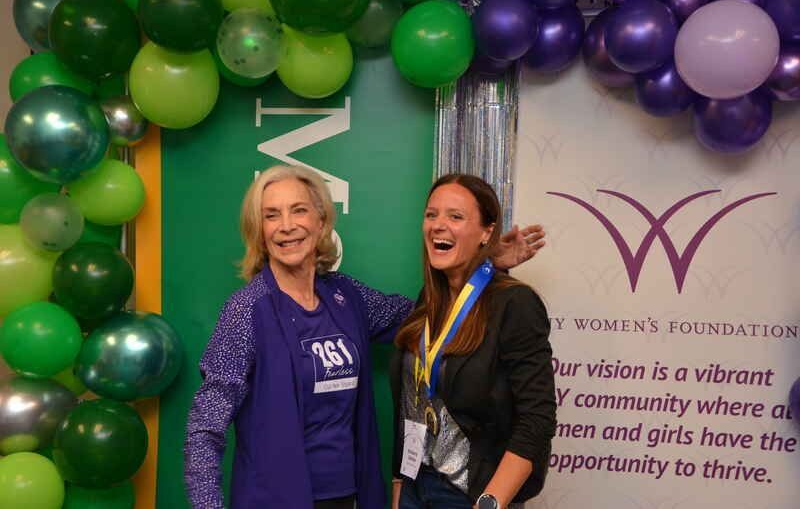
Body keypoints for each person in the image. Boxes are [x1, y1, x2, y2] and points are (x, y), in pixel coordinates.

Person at [183, 165, 545, 509]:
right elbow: (205, 426)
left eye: (299, 210)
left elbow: (431, 318)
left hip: (351, 496)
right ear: (258, 230)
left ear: (321, 221)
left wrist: (483, 264)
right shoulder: (246, 310)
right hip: (275, 498)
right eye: (271, 216)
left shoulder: (344, 296)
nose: (287, 226)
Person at [390, 174, 557, 509]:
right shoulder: (430, 299)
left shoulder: (515, 304)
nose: (438, 225)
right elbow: (413, 401)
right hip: (415, 486)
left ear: (486, 233)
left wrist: (490, 501)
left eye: (455, 216)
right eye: (431, 214)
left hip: (470, 495)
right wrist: (400, 489)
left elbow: (537, 418)